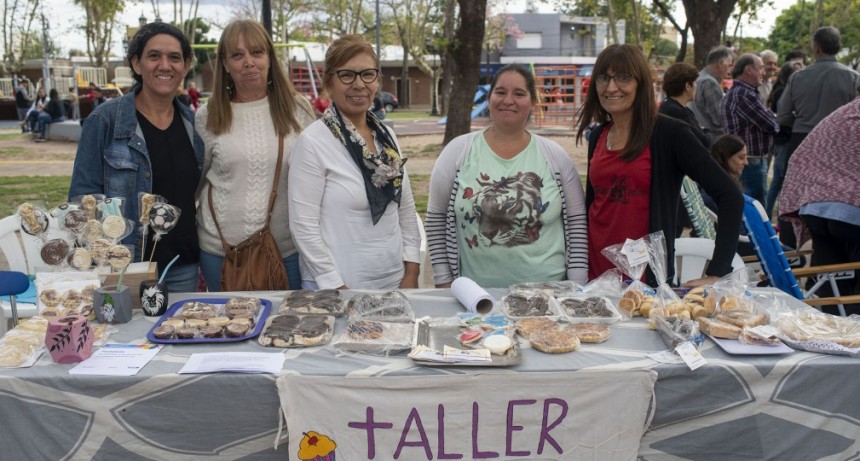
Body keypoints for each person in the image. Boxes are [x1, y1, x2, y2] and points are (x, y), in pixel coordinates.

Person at [576, 44, 743, 287]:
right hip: (595, 275)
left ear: (641, 83)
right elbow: (593, 205)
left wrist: (717, 271)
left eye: (623, 77)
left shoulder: (669, 134)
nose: (611, 87)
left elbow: (730, 196)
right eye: (603, 78)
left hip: (645, 282)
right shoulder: (598, 135)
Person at [69, 22, 204, 293]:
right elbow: (82, 201)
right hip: (124, 268)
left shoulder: (195, 124)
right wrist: (96, 260)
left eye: (174, 57)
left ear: (186, 65)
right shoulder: (106, 120)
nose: (165, 65)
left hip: (182, 267)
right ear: (136, 63)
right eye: (154, 56)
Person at [426, 64, 588, 288]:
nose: (508, 100)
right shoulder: (457, 152)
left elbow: (577, 224)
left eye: (519, 94)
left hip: (549, 294)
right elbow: (436, 219)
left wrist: (577, 285)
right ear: (489, 98)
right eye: (500, 92)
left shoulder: (555, 157)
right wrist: (444, 280)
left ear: (532, 102)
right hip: (477, 297)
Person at [289, 34, 421, 290]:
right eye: (347, 75)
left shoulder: (386, 136)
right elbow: (303, 226)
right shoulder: (313, 142)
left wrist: (412, 270)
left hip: (395, 283)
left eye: (368, 74)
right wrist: (336, 287)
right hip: (337, 289)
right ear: (329, 83)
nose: (359, 84)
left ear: (377, 80)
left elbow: (405, 207)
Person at [196, 19, 315, 291]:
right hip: (221, 253)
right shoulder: (208, 116)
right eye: (237, 55)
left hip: (286, 253)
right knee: (225, 320)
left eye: (257, 52)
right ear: (225, 64)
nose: (248, 62)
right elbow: (196, 181)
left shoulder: (298, 110)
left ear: (270, 58)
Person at [779, 98, 860, 315]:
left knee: (833, 285)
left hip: (815, 207)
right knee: (849, 293)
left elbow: (800, 155)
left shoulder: (846, 112)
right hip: (850, 210)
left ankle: (833, 331)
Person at [776, 26, 860, 223]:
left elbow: (783, 115)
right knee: (837, 196)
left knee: (794, 196)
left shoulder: (798, 77)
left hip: (801, 140)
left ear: (816, 48)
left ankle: (789, 238)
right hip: (840, 145)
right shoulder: (853, 77)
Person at [720, 53, 778, 205]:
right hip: (750, 162)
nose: (763, 72)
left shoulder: (743, 92)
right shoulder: (744, 94)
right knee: (754, 208)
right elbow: (771, 124)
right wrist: (773, 117)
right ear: (748, 70)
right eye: (760, 68)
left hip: (747, 160)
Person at [764, 61, 803, 218]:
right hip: (782, 139)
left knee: (779, 180)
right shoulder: (781, 91)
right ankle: (772, 214)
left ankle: (772, 213)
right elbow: (782, 116)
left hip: (785, 139)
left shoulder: (791, 90)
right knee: (779, 179)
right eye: (795, 72)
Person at [658, 62, 709, 148]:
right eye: (694, 82)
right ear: (687, 86)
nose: (696, 86)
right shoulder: (676, 112)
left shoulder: (669, 106)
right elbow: (702, 141)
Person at [691, 46, 734, 144]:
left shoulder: (699, 77)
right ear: (721, 63)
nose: (730, 70)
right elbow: (719, 119)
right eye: (729, 65)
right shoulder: (709, 83)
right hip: (712, 140)